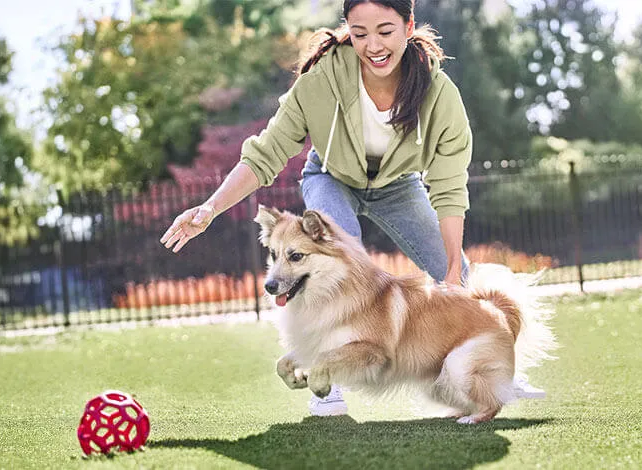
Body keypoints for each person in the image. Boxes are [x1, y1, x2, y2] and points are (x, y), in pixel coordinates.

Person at [160, 0, 546, 417]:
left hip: (398, 186)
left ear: (408, 25)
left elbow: (449, 187)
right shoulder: (320, 80)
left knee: (460, 279)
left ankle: (494, 371)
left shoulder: (439, 94)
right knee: (339, 262)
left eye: (385, 31)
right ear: (347, 30)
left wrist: (451, 268)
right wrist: (211, 207)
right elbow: (265, 154)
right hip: (330, 178)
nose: (373, 45)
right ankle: (326, 379)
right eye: (360, 33)